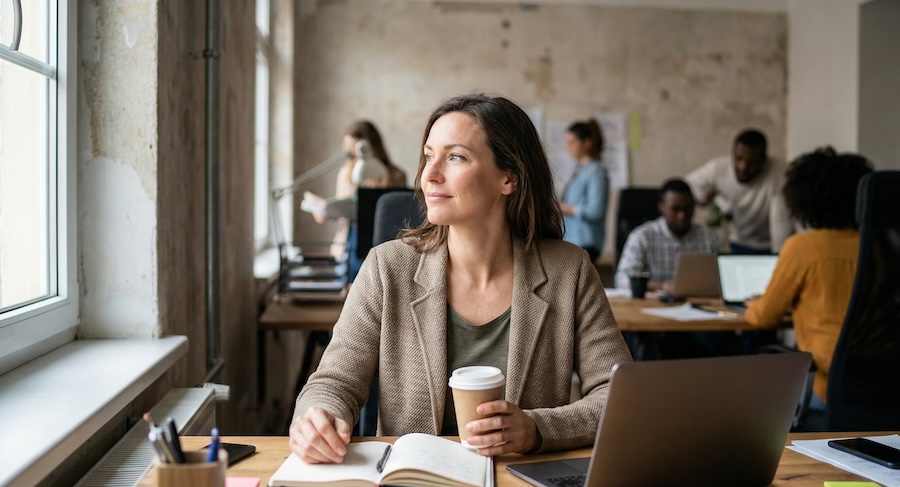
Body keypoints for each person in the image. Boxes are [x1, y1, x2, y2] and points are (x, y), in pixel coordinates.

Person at [289, 93, 632, 463]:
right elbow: (333, 383)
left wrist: (537, 429)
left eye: (455, 157)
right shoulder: (386, 268)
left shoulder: (570, 271)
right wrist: (318, 417)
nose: (429, 175)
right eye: (427, 156)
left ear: (508, 178)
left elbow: (620, 395)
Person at [744, 147, 873, 410]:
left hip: (832, 389)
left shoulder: (803, 248)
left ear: (803, 199)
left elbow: (764, 317)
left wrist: (753, 305)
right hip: (887, 385)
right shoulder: (881, 246)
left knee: (754, 395)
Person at [305, 120, 407, 279]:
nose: (351, 153)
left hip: (384, 239)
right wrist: (327, 213)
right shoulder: (346, 173)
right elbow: (343, 210)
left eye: (354, 147)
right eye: (347, 147)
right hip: (350, 241)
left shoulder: (396, 175)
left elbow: (399, 213)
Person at [685, 129, 793, 254]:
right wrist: (704, 199)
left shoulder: (779, 172)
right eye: (738, 158)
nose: (743, 167)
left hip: (770, 244)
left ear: (764, 160)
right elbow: (687, 184)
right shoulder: (718, 168)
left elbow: (781, 221)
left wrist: (779, 257)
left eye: (751, 162)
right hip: (738, 242)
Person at [615, 179, 719, 292]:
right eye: (675, 209)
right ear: (661, 207)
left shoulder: (709, 238)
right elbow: (622, 280)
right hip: (652, 305)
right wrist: (662, 286)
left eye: (687, 208)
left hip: (698, 304)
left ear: (693, 206)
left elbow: (723, 281)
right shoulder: (642, 237)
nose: (682, 215)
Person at [559, 119, 609, 261]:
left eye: (572, 142)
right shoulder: (579, 169)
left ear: (586, 143)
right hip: (572, 241)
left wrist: (567, 209)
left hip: (586, 242)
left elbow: (596, 211)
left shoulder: (596, 171)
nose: (569, 147)